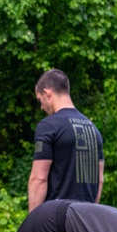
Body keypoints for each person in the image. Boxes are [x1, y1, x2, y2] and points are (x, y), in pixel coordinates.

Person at [27, 69, 103, 212]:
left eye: (40, 100)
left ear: (48, 93)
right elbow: (100, 180)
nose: (42, 107)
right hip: (86, 220)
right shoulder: (93, 130)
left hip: (56, 220)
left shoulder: (49, 126)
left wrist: (32, 225)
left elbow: (39, 179)